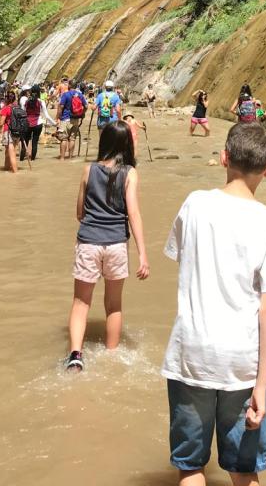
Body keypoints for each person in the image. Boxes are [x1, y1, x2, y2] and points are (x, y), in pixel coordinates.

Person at [162, 122, 266, 485]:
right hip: (242, 362)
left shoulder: (194, 203)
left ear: (224, 158)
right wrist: (261, 386)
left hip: (191, 354)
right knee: (243, 469)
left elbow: (181, 256)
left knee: (190, 466)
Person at [66, 121, 150, 370]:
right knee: (113, 304)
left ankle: (75, 356)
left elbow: (79, 213)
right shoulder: (130, 173)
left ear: (104, 143)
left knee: (81, 302)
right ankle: (112, 356)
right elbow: (133, 213)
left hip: (89, 242)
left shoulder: (88, 170)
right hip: (116, 244)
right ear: (127, 145)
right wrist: (143, 255)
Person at [21, 85, 56, 161]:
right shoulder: (41, 101)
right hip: (38, 123)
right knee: (35, 142)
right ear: (39, 92)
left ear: (31, 92)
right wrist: (54, 123)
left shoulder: (26, 101)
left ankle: (21, 159)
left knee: (25, 141)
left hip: (27, 123)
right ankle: (33, 159)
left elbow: (22, 113)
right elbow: (46, 116)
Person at [57, 80, 87, 159]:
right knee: (72, 139)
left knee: (63, 139)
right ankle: (70, 157)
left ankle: (62, 158)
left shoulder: (65, 94)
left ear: (69, 85)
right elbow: (86, 106)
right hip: (75, 119)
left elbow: (61, 106)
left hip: (65, 119)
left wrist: (59, 117)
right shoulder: (80, 95)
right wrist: (82, 114)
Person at [0, 90, 25, 173]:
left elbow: (1, 123)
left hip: (8, 132)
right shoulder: (18, 108)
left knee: (12, 153)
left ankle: (15, 172)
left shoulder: (6, 108)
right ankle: (6, 168)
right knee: (8, 152)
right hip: (17, 132)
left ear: (6, 98)